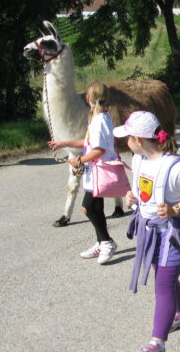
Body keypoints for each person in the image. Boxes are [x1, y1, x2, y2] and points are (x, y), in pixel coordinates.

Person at [116, 111, 180, 352]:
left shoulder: (177, 167)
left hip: (174, 234)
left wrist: (175, 209)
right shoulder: (140, 161)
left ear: (138, 139)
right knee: (165, 277)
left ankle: (157, 343)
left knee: (164, 285)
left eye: (127, 137)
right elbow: (145, 192)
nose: (124, 142)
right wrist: (133, 198)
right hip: (151, 233)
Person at [48, 82, 120, 265]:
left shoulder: (100, 121)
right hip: (94, 172)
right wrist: (64, 144)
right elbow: (88, 142)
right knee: (96, 208)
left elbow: (100, 149)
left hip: (99, 172)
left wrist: (80, 160)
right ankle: (101, 241)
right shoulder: (97, 118)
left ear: (88, 99)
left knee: (88, 207)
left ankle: (107, 242)